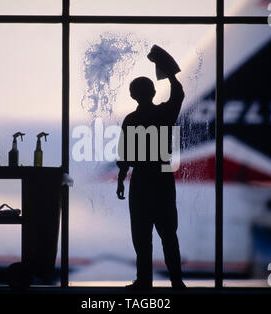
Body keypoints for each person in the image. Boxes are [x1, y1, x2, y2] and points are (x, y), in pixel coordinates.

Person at [116, 69, 186, 289]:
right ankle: (176, 281)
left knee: (141, 235)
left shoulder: (131, 119)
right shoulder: (165, 114)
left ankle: (144, 281)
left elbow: (125, 155)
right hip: (163, 179)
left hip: (141, 181)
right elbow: (178, 95)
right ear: (154, 92)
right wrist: (171, 75)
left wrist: (121, 179)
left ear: (132, 95)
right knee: (168, 234)